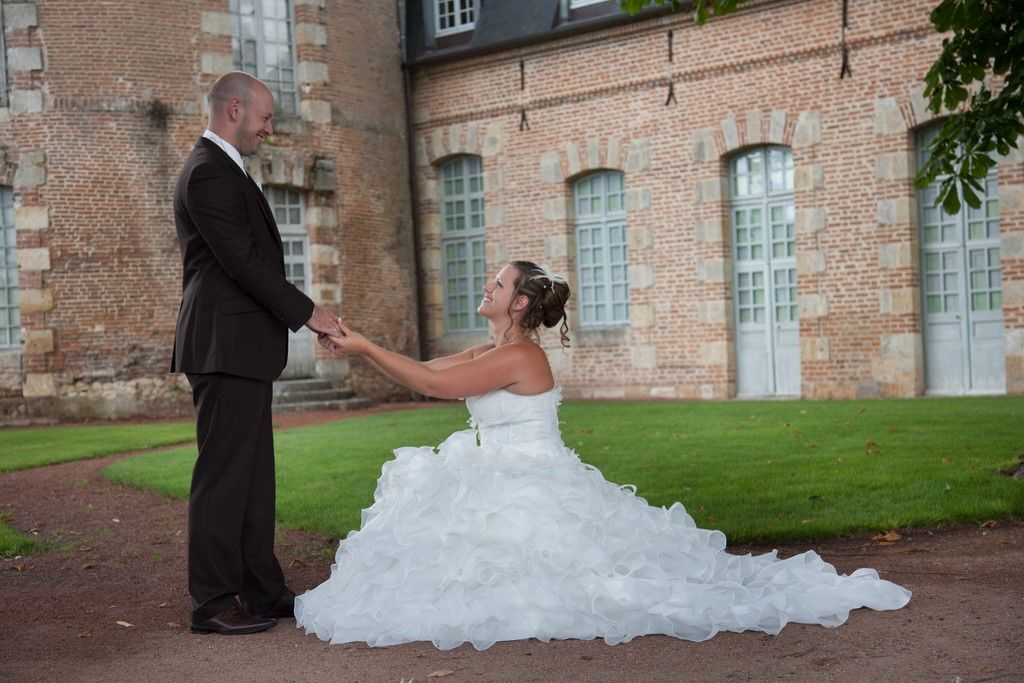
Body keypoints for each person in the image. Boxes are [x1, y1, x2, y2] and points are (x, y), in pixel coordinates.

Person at [294, 260, 911, 650]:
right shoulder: (489, 351)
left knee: (572, 582)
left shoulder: (521, 356)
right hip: (494, 471)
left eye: (501, 283)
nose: (489, 283)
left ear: (519, 305)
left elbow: (430, 386)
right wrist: (358, 344)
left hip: (531, 478)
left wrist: (367, 346)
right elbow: (430, 370)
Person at [171, 71, 342, 636]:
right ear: (235, 111)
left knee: (252, 478)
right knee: (223, 477)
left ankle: (262, 591)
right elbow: (243, 263)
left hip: (240, 345)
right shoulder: (206, 173)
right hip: (223, 344)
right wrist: (309, 313)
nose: (271, 128)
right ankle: (213, 602)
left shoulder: (225, 170)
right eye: (266, 118)